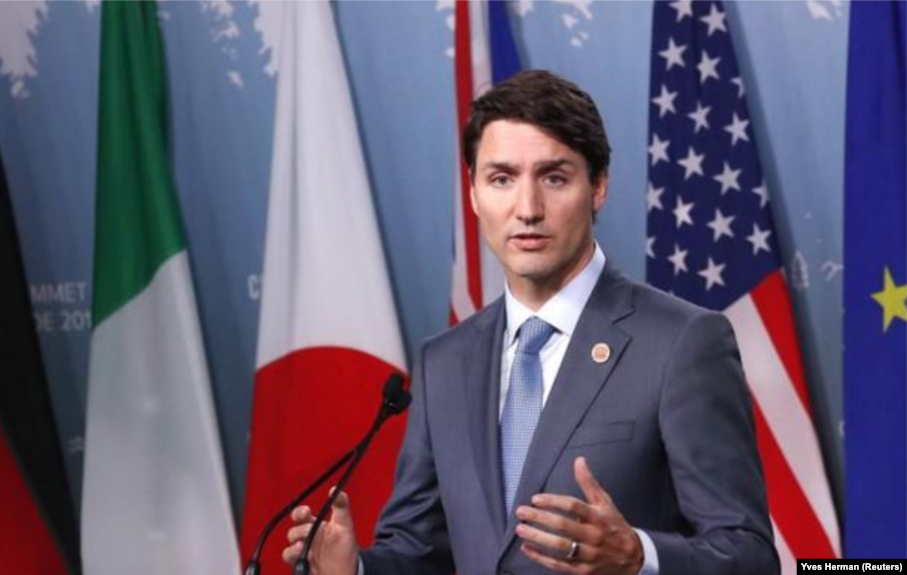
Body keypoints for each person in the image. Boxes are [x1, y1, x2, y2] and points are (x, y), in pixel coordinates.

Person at [283, 70, 778, 575]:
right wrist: (355, 569)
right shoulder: (445, 361)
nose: (527, 209)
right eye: (501, 178)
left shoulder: (681, 343)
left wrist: (639, 558)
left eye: (554, 177)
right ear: (474, 194)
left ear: (599, 186)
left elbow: (750, 556)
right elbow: (420, 552)